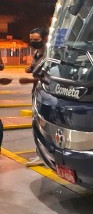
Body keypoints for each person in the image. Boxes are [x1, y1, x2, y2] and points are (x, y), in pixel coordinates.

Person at [25, 27, 47, 167]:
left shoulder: (49, 54)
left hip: (46, 93)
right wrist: (30, 68)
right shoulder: (37, 53)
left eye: (36, 40)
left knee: (42, 125)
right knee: (36, 124)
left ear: (44, 39)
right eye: (31, 40)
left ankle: (43, 155)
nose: (33, 42)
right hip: (37, 90)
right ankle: (40, 153)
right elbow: (34, 68)